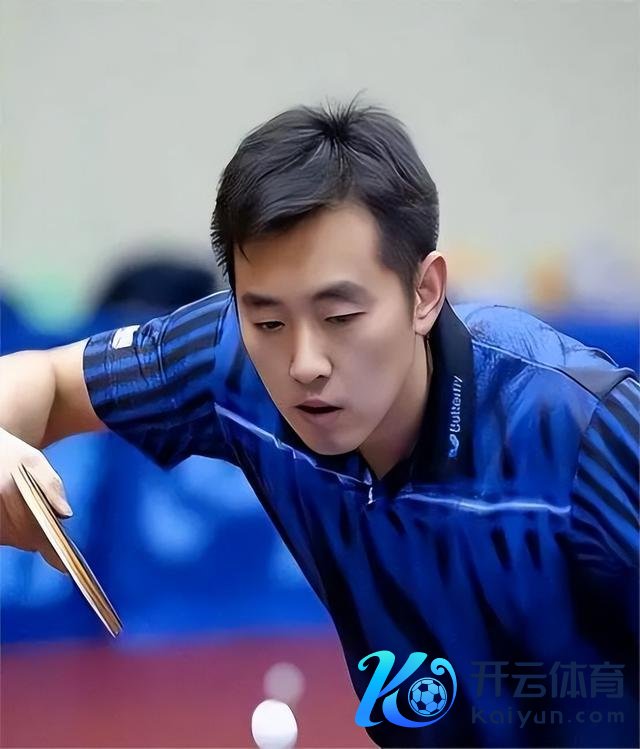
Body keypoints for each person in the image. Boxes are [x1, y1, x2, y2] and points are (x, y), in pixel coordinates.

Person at [1, 100, 637, 748]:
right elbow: (46, 379)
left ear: (424, 292)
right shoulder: (230, 360)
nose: (304, 363)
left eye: (339, 317)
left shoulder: (581, 430)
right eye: (268, 319)